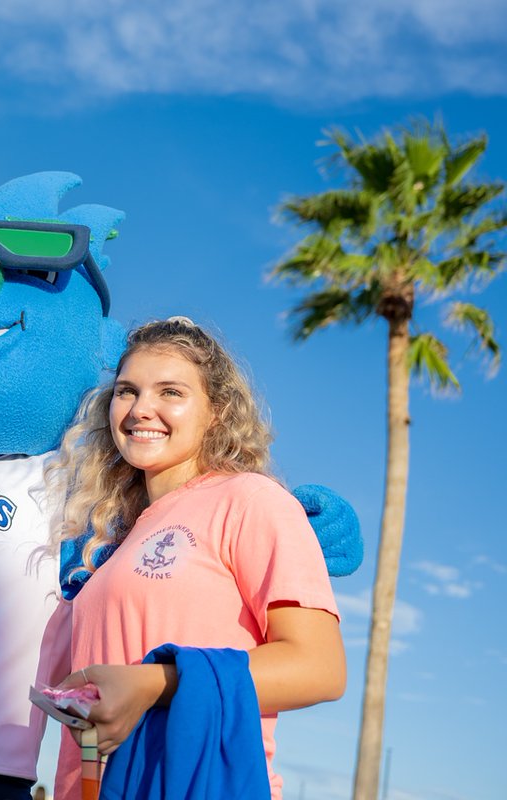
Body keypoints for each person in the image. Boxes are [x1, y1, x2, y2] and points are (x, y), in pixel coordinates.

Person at [47, 317, 345, 800]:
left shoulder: (250, 499)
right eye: (126, 391)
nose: (141, 409)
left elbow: (320, 667)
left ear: (217, 412)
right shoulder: (107, 543)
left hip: (197, 785)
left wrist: (155, 683)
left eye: (170, 392)